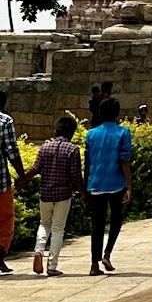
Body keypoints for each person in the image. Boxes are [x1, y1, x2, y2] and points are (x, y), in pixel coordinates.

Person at [24, 115, 85, 276]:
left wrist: (21, 180)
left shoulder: (44, 148)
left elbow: (35, 169)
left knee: (44, 224)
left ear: (55, 131)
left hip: (45, 193)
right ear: (71, 133)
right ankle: (52, 266)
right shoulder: (73, 149)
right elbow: (76, 176)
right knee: (58, 229)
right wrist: (83, 193)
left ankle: (38, 250)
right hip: (63, 195)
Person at [84, 96, 132, 274]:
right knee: (116, 220)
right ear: (117, 113)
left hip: (95, 183)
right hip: (117, 183)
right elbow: (124, 161)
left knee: (97, 224)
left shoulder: (91, 134)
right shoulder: (123, 132)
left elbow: (87, 163)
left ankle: (94, 264)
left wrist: (85, 186)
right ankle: (107, 253)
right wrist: (129, 186)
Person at [0, 89, 28, 275]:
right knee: (6, 220)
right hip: (0, 182)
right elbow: (12, 151)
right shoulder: (4, 121)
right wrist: (22, 175)